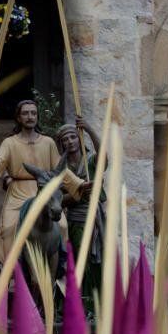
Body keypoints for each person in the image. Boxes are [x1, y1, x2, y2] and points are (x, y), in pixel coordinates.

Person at [0, 100, 85, 260]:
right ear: (18, 118)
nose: (30, 116)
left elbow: (61, 170)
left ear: (37, 116)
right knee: (9, 227)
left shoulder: (48, 142)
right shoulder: (9, 142)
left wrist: (79, 184)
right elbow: (0, 163)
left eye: (33, 113)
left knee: (63, 226)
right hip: (18, 192)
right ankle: (13, 269)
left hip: (45, 192)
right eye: (25, 113)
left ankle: (60, 268)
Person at [54, 116, 103, 298]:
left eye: (73, 137)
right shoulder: (61, 168)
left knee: (99, 257)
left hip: (96, 216)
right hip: (76, 218)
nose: (70, 141)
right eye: (65, 139)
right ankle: (82, 297)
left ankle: (97, 297)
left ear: (79, 138)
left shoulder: (90, 160)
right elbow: (59, 200)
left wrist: (89, 129)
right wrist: (79, 192)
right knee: (81, 253)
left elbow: (103, 155)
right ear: (61, 144)